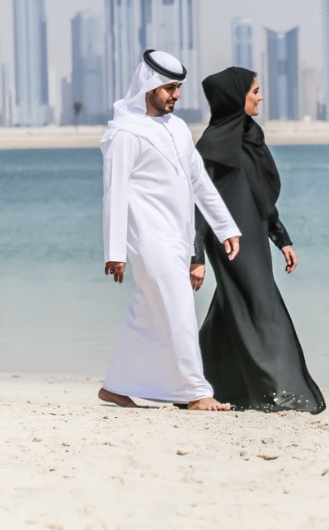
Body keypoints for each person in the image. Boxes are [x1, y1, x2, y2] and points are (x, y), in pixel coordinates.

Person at [100, 50, 241, 411]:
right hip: (147, 239)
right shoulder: (124, 133)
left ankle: (116, 386)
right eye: (169, 88)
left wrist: (226, 228)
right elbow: (114, 193)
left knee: (145, 312)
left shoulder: (178, 128)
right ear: (148, 87)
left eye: (178, 88)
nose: (175, 95)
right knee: (180, 308)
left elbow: (199, 182)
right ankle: (196, 392)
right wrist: (114, 251)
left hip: (177, 237)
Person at [190, 66, 326, 413]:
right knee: (261, 307)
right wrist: (197, 256)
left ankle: (199, 382)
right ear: (236, 97)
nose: (260, 97)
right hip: (228, 243)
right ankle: (275, 392)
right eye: (254, 92)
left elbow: (260, 195)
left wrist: (282, 239)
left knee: (231, 310)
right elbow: (198, 205)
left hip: (255, 235)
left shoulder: (251, 135)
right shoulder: (210, 146)